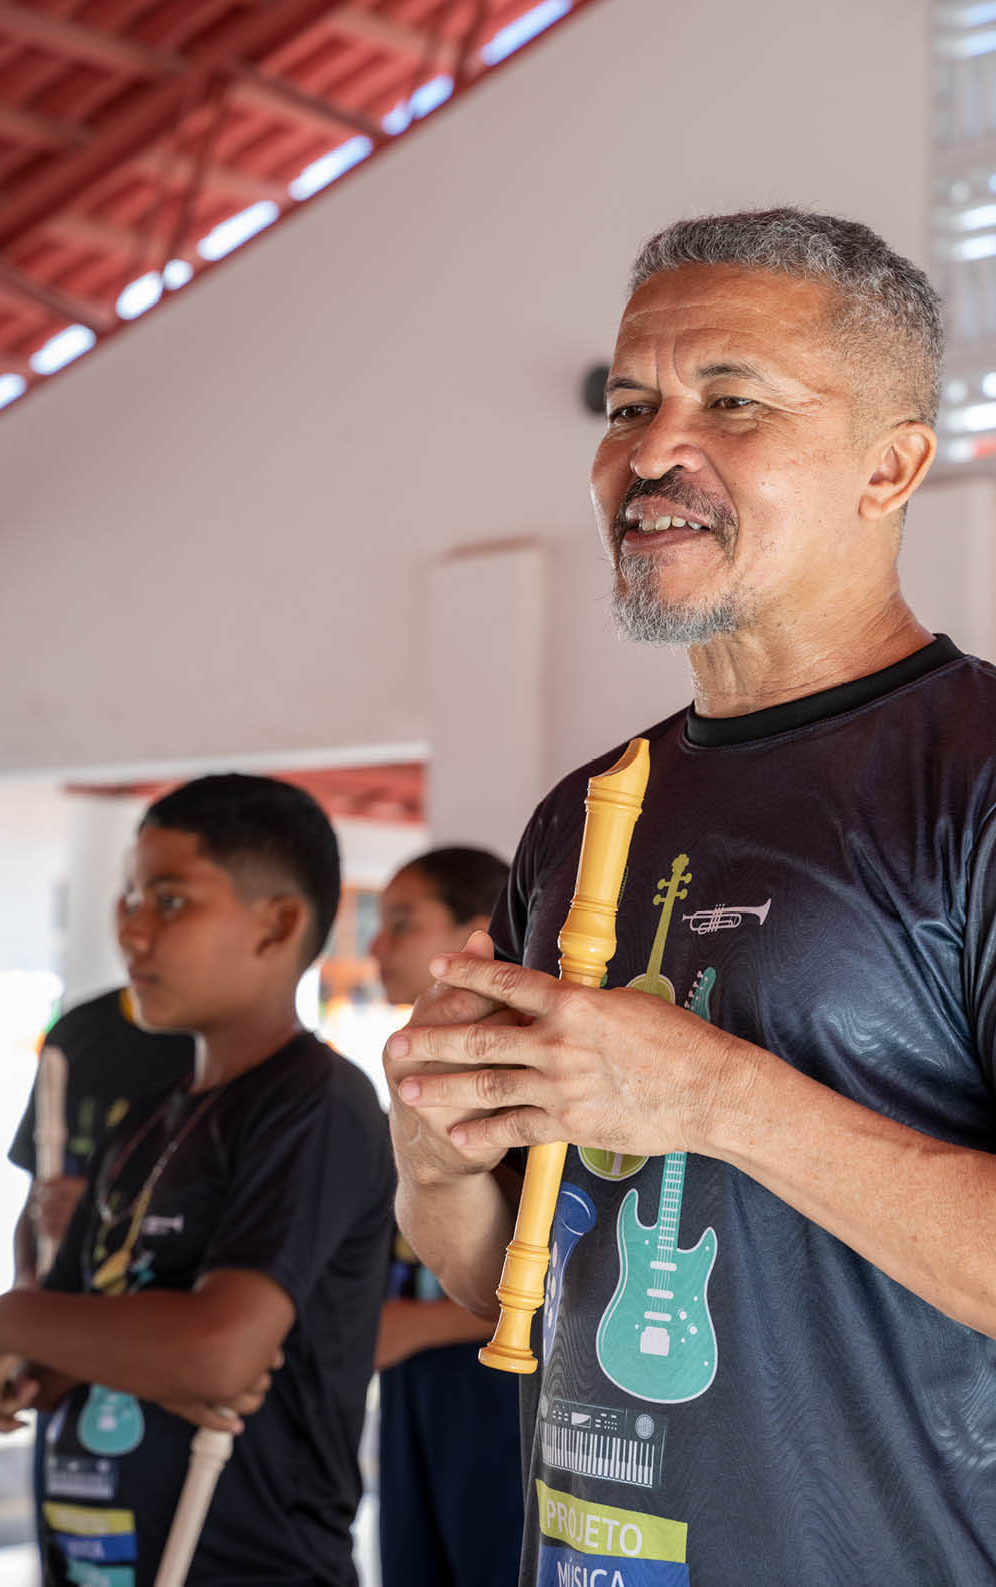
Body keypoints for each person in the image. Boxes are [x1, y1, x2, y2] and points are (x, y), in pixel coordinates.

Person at [383, 209, 996, 1585]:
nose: (653, 451)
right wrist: (434, 1165)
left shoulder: (974, 777)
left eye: (732, 401)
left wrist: (716, 1098)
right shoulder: (581, 815)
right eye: (629, 402)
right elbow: (534, 1287)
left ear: (892, 464)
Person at [0, 772, 394, 1586]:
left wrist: (15, 1319)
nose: (131, 929)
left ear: (278, 924)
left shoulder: (314, 1103)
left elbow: (215, 1356)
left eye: (168, 900)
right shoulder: (148, 1121)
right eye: (128, 896)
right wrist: (120, 1344)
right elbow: (44, 1364)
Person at [369, 847, 524, 1587]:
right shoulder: (404, 1091)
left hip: (496, 1392)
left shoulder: (527, 1080)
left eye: (401, 922)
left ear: (473, 939)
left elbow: (569, 1267)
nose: (376, 945)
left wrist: (410, 1326)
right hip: (412, 1389)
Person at [9, 988, 195, 1289]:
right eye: (122, 935)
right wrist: (25, 1282)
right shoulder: (75, 1034)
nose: (135, 940)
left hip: (153, 1312)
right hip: (65, 1297)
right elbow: (39, 1195)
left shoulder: (221, 1049)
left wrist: (94, 1215)